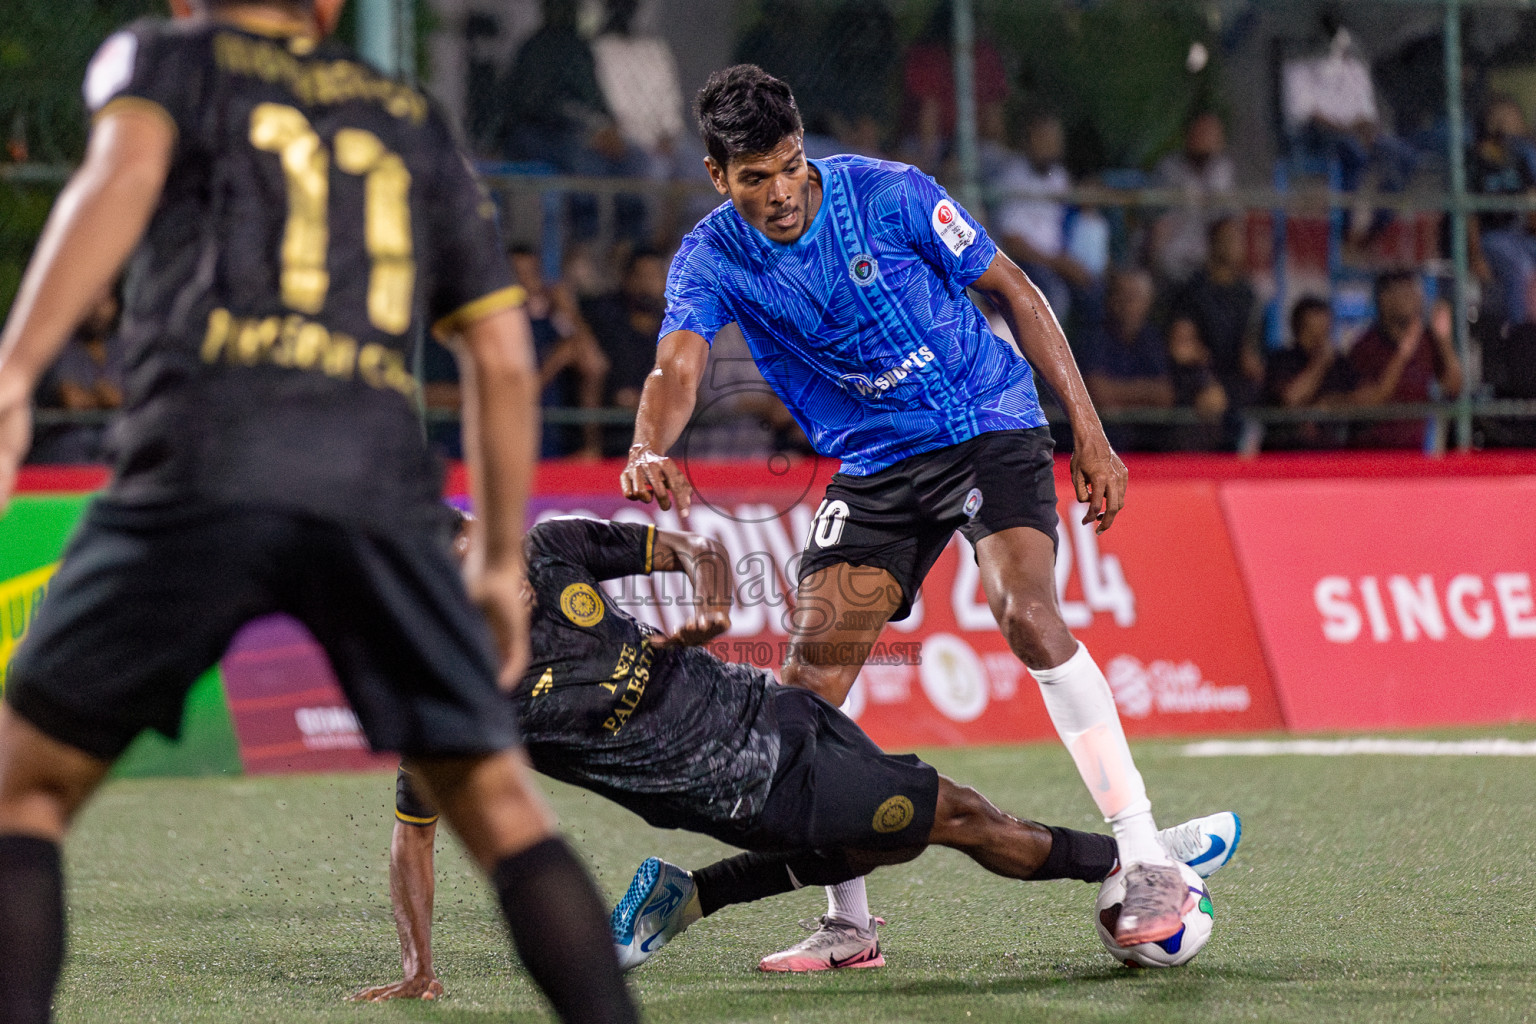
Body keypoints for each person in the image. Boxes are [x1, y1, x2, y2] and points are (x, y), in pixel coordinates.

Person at [0, 3, 638, 1023]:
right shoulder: (408, 113)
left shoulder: (167, 57)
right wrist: (499, 562)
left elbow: (117, 179)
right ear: (334, 8)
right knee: (501, 807)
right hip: (376, 494)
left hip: (199, 465)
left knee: (23, 793)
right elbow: (506, 359)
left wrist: (17, 374)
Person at [619, 64, 1210, 971]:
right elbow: (680, 366)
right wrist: (650, 446)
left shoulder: (890, 195)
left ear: (801, 146)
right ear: (715, 175)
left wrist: (1090, 434)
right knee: (804, 690)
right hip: (873, 464)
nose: (777, 194)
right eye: (752, 179)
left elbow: (1016, 288)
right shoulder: (709, 256)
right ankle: (848, 924)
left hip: (985, 421)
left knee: (1026, 615)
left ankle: (1139, 851)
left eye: (786, 166)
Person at [352, 516, 1243, 996]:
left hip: (771, 710)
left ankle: (694, 896)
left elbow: (698, 550)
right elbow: (413, 838)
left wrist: (705, 606)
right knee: (959, 816)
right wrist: (416, 967)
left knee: (904, 835)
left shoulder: (550, 550)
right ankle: (1146, 856)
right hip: (753, 793)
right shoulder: (456, 703)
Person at [991, 111, 1095, 327]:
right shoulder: (1012, 176)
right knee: (1055, 295)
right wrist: (1058, 264)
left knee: (1095, 289)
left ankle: (1089, 359)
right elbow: (1012, 243)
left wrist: (1069, 261)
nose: (1051, 146)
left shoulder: (1058, 176)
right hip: (1023, 262)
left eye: (1055, 140)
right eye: (1044, 139)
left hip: (1056, 258)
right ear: (1029, 140)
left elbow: (1064, 226)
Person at [1167, 216, 1263, 448]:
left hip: (1234, 378)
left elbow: (1249, 352)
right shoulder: (1194, 289)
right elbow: (1181, 348)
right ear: (1213, 243)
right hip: (1196, 375)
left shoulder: (1246, 294)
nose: (1235, 245)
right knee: (1212, 401)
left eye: (1239, 240)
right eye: (1228, 239)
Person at [1346, 271, 1463, 449]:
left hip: (1415, 453)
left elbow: (1454, 387)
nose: (1417, 300)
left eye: (1417, 293)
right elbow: (1369, 402)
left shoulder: (1427, 342)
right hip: (1371, 453)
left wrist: (1444, 342)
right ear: (1384, 300)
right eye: (1406, 293)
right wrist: (1403, 353)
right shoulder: (1364, 347)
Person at [583, 245, 668, 456]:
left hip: (663, 447)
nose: (647, 285)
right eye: (641, 276)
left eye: (655, 276)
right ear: (627, 279)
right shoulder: (605, 324)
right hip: (610, 447)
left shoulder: (675, 330)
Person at [1077, 269, 1173, 452]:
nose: (1126, 303)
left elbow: (1165, 394)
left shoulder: (1152, 339)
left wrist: (1119, 394)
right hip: (1099, 443)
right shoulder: (1094, 336)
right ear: (1111, 299)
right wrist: (1144, 392)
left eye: (1134, 297)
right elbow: (1098, 394)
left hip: (1146, 444)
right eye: (1121, 295)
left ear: (1147, 302)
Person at [1467, 96, 1536, 327]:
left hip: (1520, 234)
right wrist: (1475, 255)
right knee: (1521, 267)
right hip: (1492, 235)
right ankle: (1522, 333)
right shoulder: (1474, 160)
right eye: (1511, 118)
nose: (1518, 123)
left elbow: (1531, 202)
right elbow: (1470, 214)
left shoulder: (1518, 159)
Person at [1148, 112, 1237, 285]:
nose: (1206, 138)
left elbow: (1227, 216)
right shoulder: (1169, 168)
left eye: (1212, 133)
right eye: (1201, 132)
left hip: (1208, 260)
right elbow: (1158, 221)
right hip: (1174, 255)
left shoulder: (1222, 169)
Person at [1261, 296, 1356, 449]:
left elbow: (1359, 395)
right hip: (1286, 450)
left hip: (1330, 449)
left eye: (1326, 326)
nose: (1323, 331)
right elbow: (1291, 398)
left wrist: (1332, 402)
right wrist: (1320, 364)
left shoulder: (1339, 362)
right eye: (1316, 325)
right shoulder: (1281, 360)